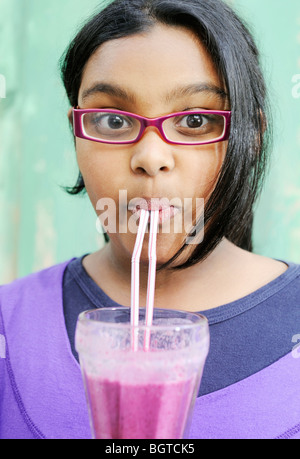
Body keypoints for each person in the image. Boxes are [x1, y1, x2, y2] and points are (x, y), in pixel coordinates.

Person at [0, 0, 299, 440]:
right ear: (76, 135)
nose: (150, 157)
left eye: (195, 120)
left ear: (250, 139)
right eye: (112, 119)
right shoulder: (9, 323)